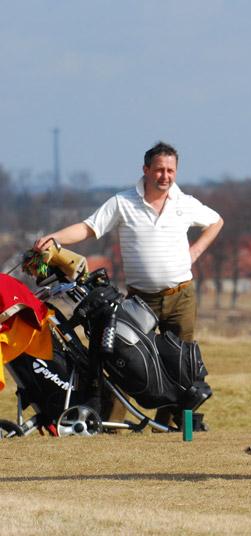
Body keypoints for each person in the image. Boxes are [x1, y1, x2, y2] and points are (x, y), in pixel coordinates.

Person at [34, 141, 223, 424]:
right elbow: (88, 227)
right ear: (145, 170)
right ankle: (112, 423)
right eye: (159, 170)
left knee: (181, 362)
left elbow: (216, 221)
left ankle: (171, 424)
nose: (165, 176)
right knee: (124, 358)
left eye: (171, 170)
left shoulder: (185, 203)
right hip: (140, 299)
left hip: (181, 296)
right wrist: (55, 238)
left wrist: (195, 252)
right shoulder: (122, 203)